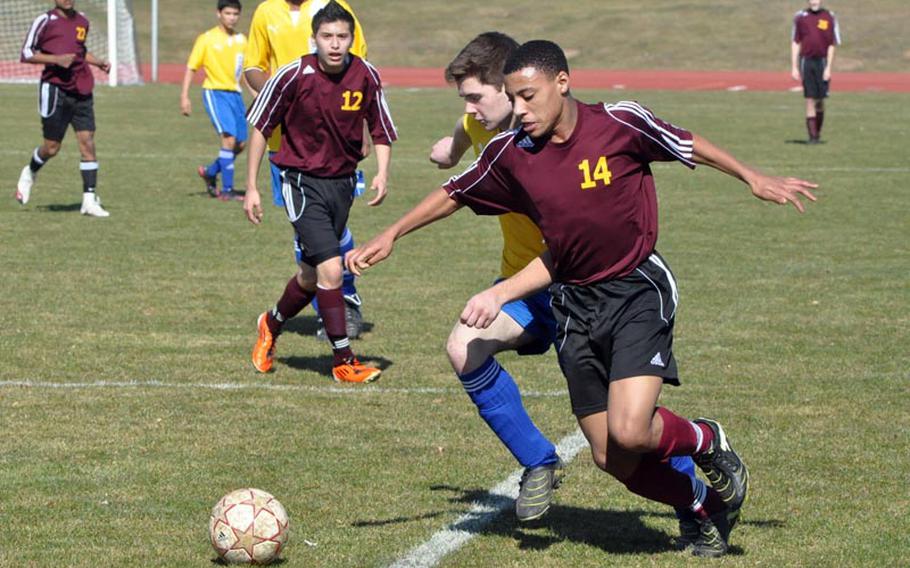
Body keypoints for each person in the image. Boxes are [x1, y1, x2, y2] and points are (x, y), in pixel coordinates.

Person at [349, 40, 818, 556]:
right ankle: (703, 505)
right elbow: (454, 192)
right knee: (610, 457)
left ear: (562, 84)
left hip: (636, 288)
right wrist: (393, 233)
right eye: (512, 98)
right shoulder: (512, 154)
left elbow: (687, 143)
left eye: (528, 96)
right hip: (573, 304)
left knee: (631, 429)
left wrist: (752, 176)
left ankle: (708, 440)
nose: (520, 110)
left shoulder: (620, 122)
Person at [430, 32, 702, 534]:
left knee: (624, 435)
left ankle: (694, 492)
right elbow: (466, 141)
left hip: (575, 287)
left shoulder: (549, 138)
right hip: (527, 289)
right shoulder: (486, 126)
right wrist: (451, 147)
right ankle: (538, 462)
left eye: (476, 96)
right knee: (463, 346)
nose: (471, 109)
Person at [244, 1, 396, 383]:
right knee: (332, 268)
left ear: (352, 39)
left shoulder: (366, 75)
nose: (334, 44)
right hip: (299, 181)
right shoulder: (293, 74)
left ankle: (271, 324)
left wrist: (382, 172)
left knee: (311, 277)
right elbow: (261, 126)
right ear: (314, 39)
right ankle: (344, 360)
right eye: (327, 36)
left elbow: (380, 129)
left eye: (342, 37)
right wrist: (251, 187)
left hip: (342, 183)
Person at [15, 0, 111, 217]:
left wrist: (98, 62)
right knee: (51, 148)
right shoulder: (45, 20)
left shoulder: (82, 21)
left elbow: (80, 51)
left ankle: (89, 200)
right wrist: (56, 60)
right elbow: (27, 53)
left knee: (87, 142)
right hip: (55, 91)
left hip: (82, 89)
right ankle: (30, 172)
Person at [181, 0, 248, 201]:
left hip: (235, 94)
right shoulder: (207, 39)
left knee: (241, 144)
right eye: (228, 13)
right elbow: (191, 67)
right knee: (228, 139)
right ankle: (227, 190)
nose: (232, 18)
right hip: (215, 92)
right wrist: (184, 97)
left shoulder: (242, 40)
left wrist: (257, 94)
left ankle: (211, 172)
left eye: (235, 14)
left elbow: (245, 71)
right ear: (219, 13)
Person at [791, 0, 841, 144]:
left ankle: (817, 132)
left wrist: (828, 68)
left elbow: (832, 44)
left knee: (820, 100)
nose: (814, 1)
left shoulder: (829, 16)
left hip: (822, 61)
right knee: (810, 98)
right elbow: (795, 42)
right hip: (806, 61)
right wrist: (794, 66)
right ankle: (812, 137)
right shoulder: (800, 17)